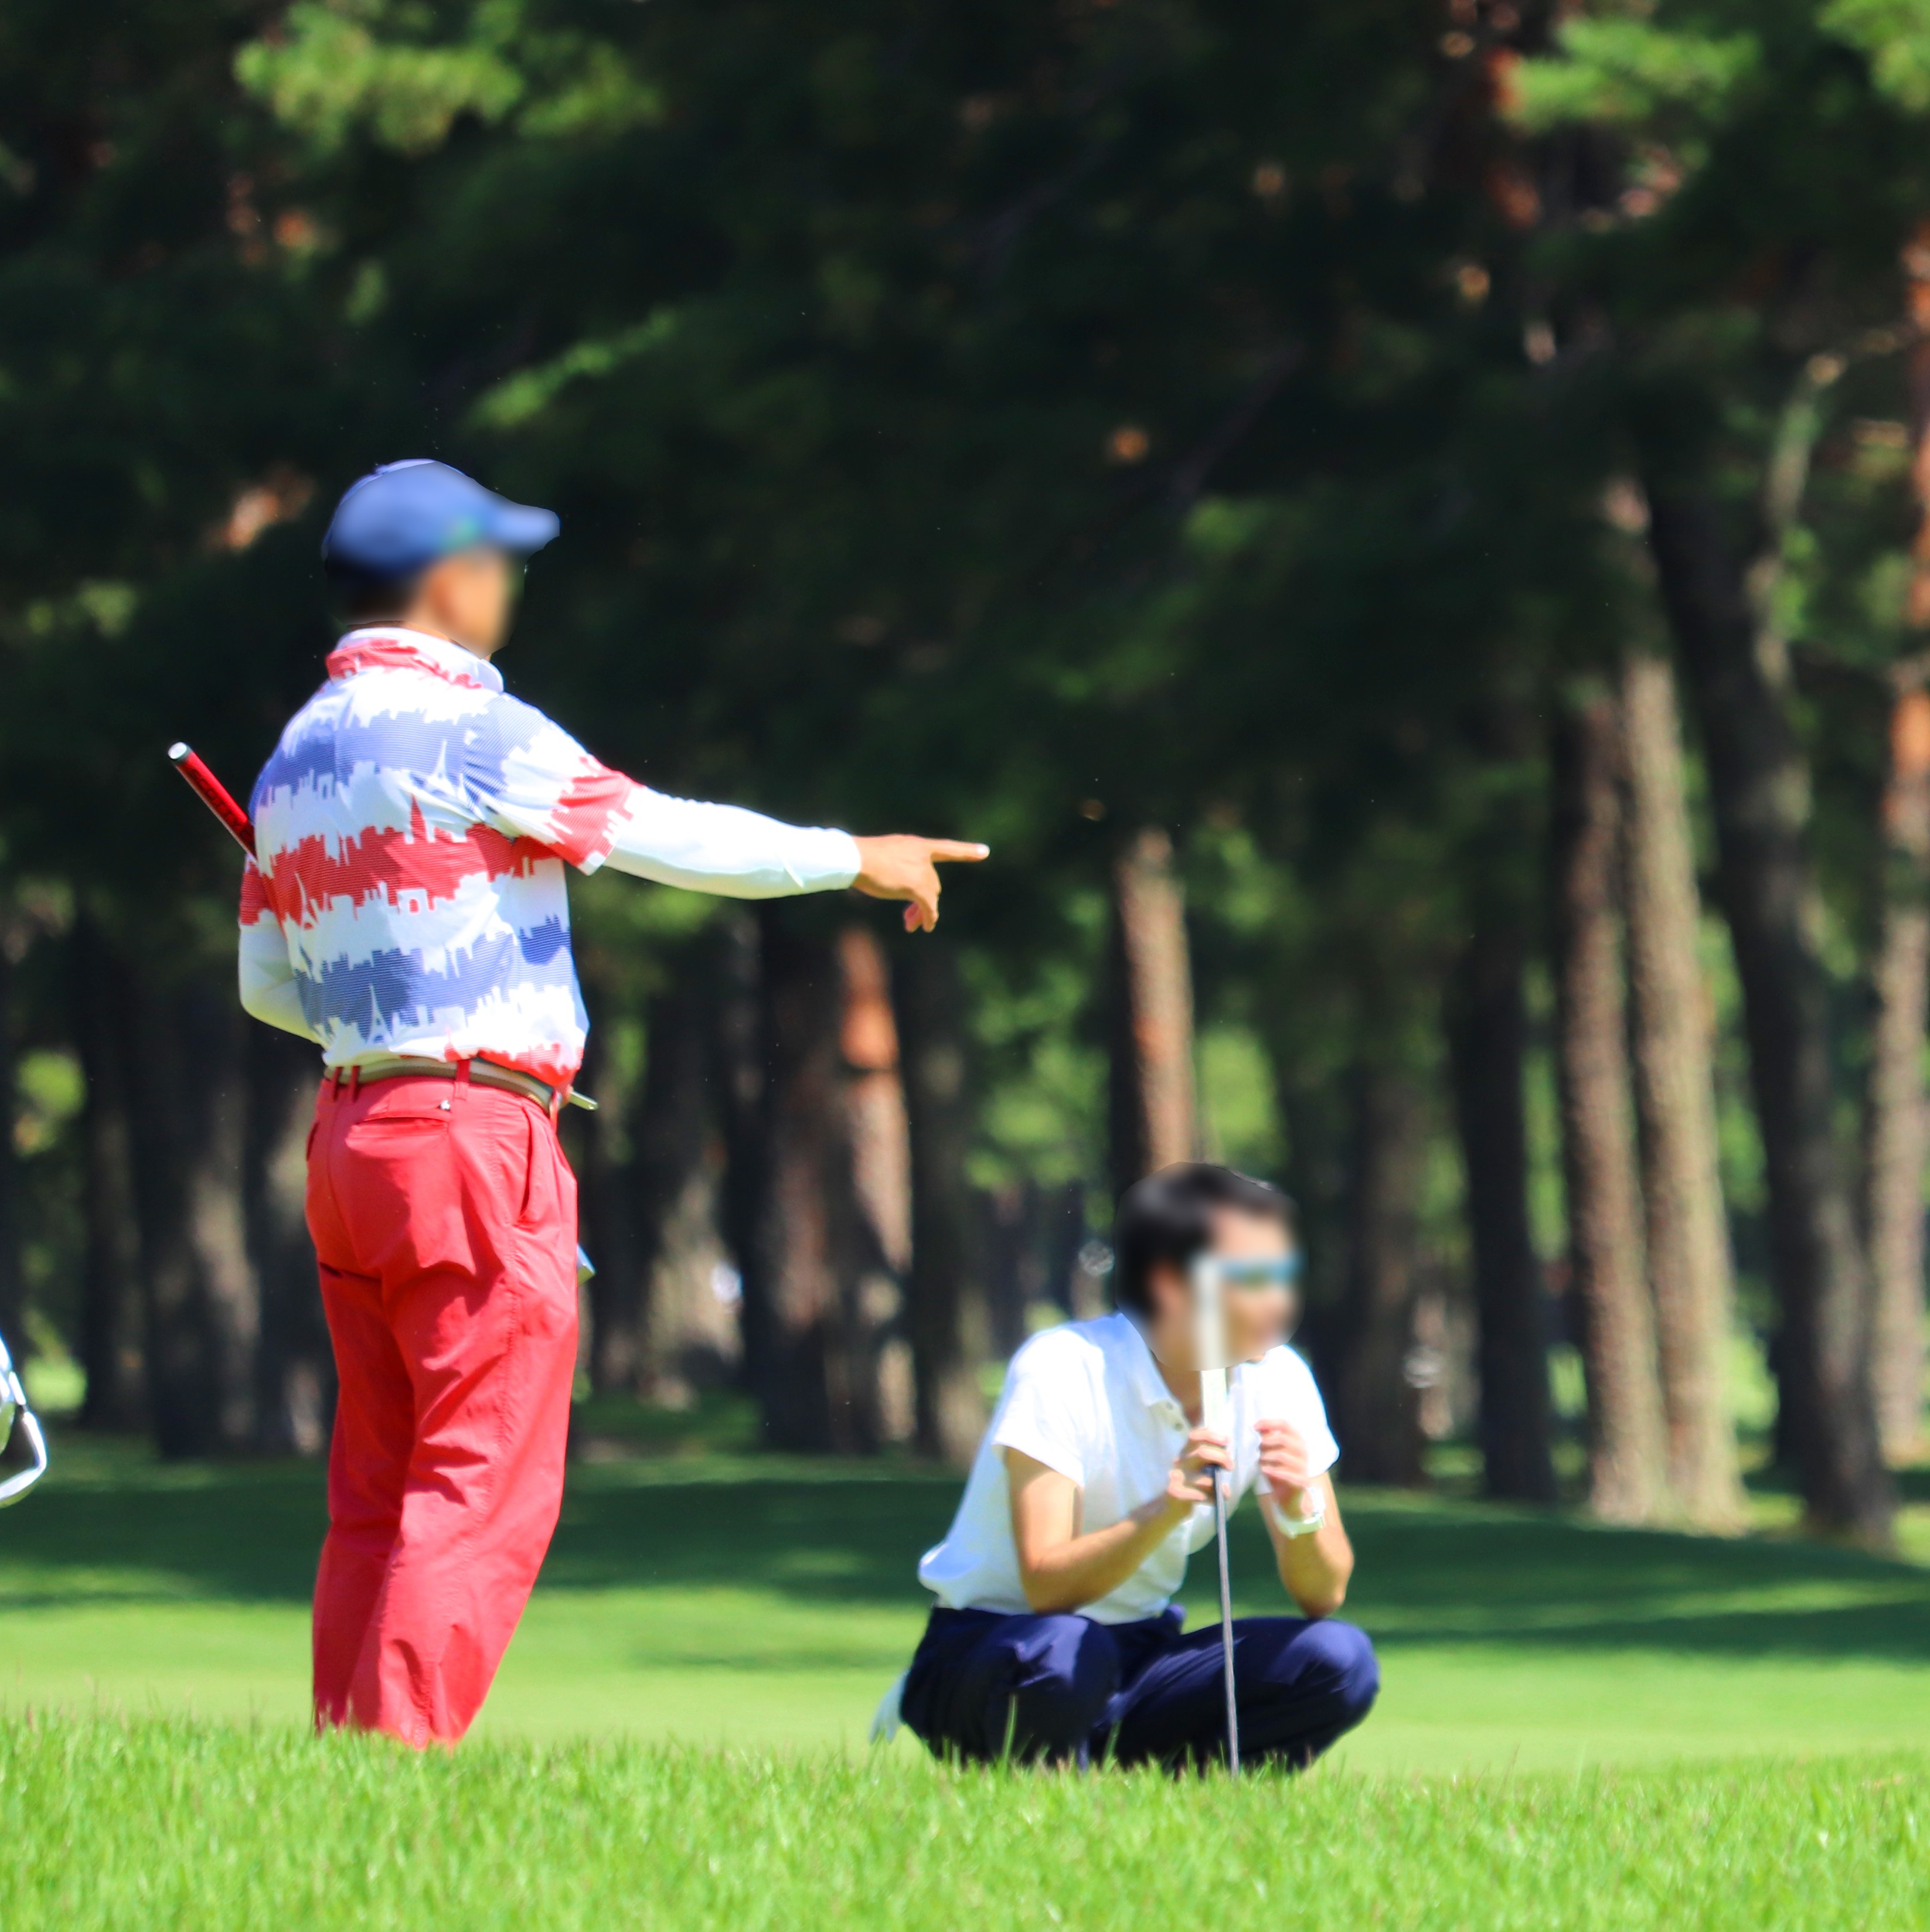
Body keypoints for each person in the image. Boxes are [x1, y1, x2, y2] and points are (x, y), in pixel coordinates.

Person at [237, 458, 988, 1746]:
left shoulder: (296, 751)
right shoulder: (472, 724)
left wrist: (391, 1013)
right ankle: (397, 1769)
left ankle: (343, 1761)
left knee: (379, 1482)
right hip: (475, 1129)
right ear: (448, 579)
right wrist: (848, 857)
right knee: (478, 1479)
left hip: (354, 1133)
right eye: (502, 561)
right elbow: (652, 830)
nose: (512, 585)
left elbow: (267, 985)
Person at [886, 1162, 1378, 1771]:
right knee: (1067, 1649)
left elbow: (1324, 1593)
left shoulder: (1279, 1376)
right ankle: (1049, 1796)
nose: (1279, 1298)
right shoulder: (1065, 1365)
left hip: (1135, 1653)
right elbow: (1047, 1588)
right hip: (996, 1650)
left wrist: (1302, 1505)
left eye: (1285, 1273)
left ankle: (1160, 1805)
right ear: (1171, 1284)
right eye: (1253, 1276)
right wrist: (1164, 1511)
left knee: (1338, 1658)